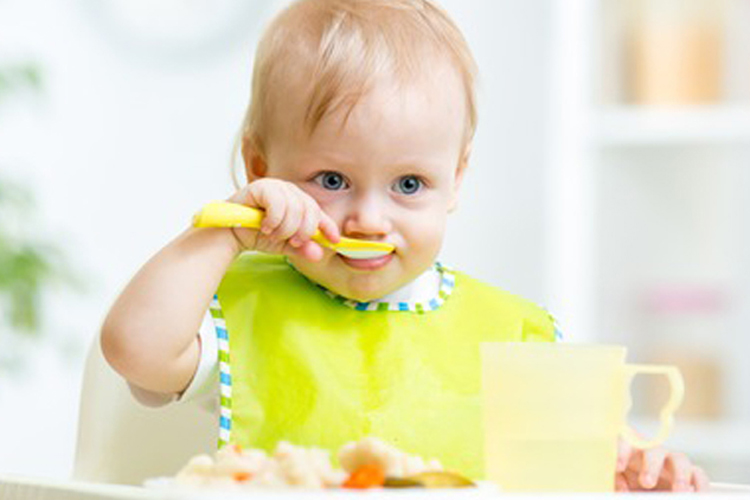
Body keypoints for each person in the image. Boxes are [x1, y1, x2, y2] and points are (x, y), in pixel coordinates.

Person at [100, 0, 708, 491]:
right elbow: (134, 352)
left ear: (456, 181)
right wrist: (228, 231)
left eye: (409, 184)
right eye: (331, 181)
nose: (368, 218)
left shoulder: (513, 336)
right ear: (264, 168)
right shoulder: (235, 307)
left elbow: (578, 470)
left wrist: (633, 471)